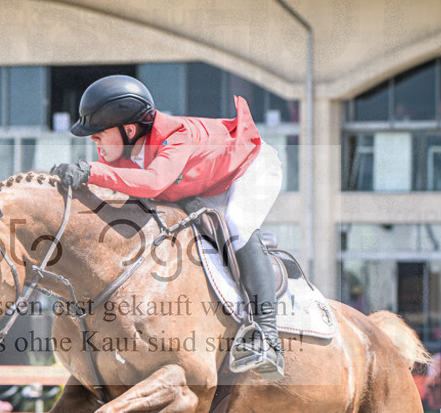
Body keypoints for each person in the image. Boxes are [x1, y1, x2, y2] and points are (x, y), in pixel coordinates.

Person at [51, 75, 284, 378]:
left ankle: (268, 337)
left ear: (129, 130)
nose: (93, 142)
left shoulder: (177, 136)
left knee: (237, 225)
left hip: (250, 166)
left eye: (98, 135)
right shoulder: (123, 153)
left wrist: (91, 171)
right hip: (203, 181)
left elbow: (154, 182)